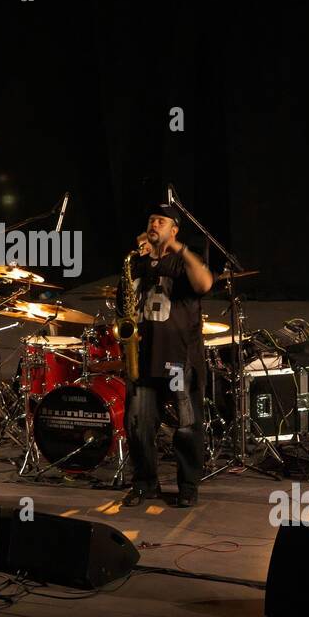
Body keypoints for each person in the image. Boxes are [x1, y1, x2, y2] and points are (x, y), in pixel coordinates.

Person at [122, 203, 215, 508]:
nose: (154, 224)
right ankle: (144, 483)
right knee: (138, 424)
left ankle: (188, 486)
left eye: (161, 221)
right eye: (151, 219)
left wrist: (180, 248)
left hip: (178, 359)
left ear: (173, 230)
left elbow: (204, 283)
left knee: (186, 425)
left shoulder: (183, 262)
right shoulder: (135, 263)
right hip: (143, 358)